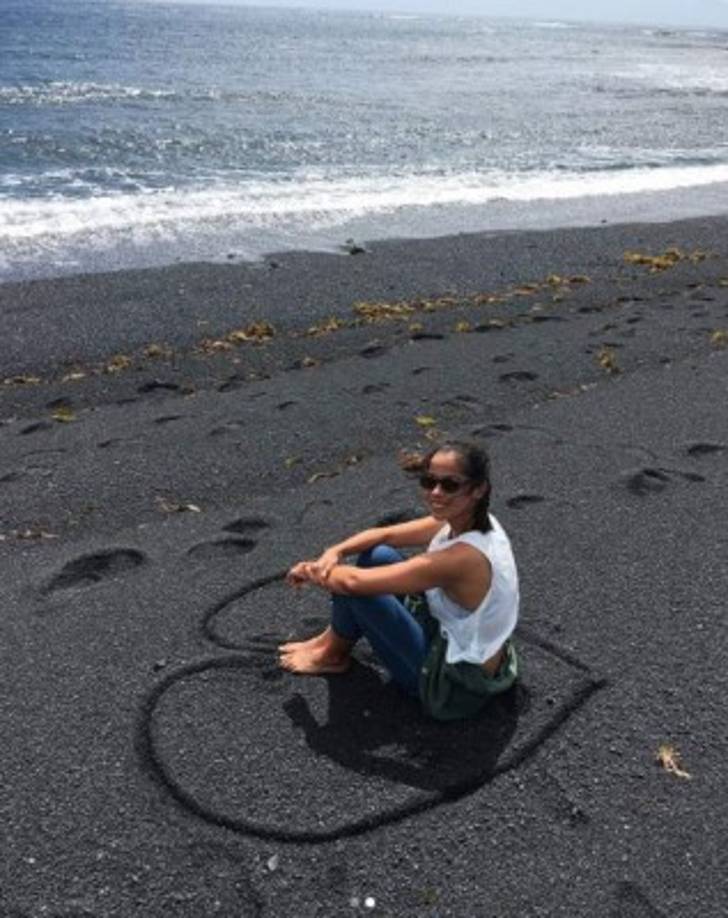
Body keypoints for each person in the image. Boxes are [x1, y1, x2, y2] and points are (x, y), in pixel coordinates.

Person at [279, 441, 519, 721]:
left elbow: (352, 583)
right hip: (455, 635)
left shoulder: (463, 558)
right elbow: (386, 535)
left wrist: (311, 571)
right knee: (377, 555)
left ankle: (332, 654)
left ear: (478, 489)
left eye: (450, 485)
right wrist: (335, 552)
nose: (436, 492)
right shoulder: (469, 520)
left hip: (454, 683)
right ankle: (332, 643)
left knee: (357, 589)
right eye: (429, 481)